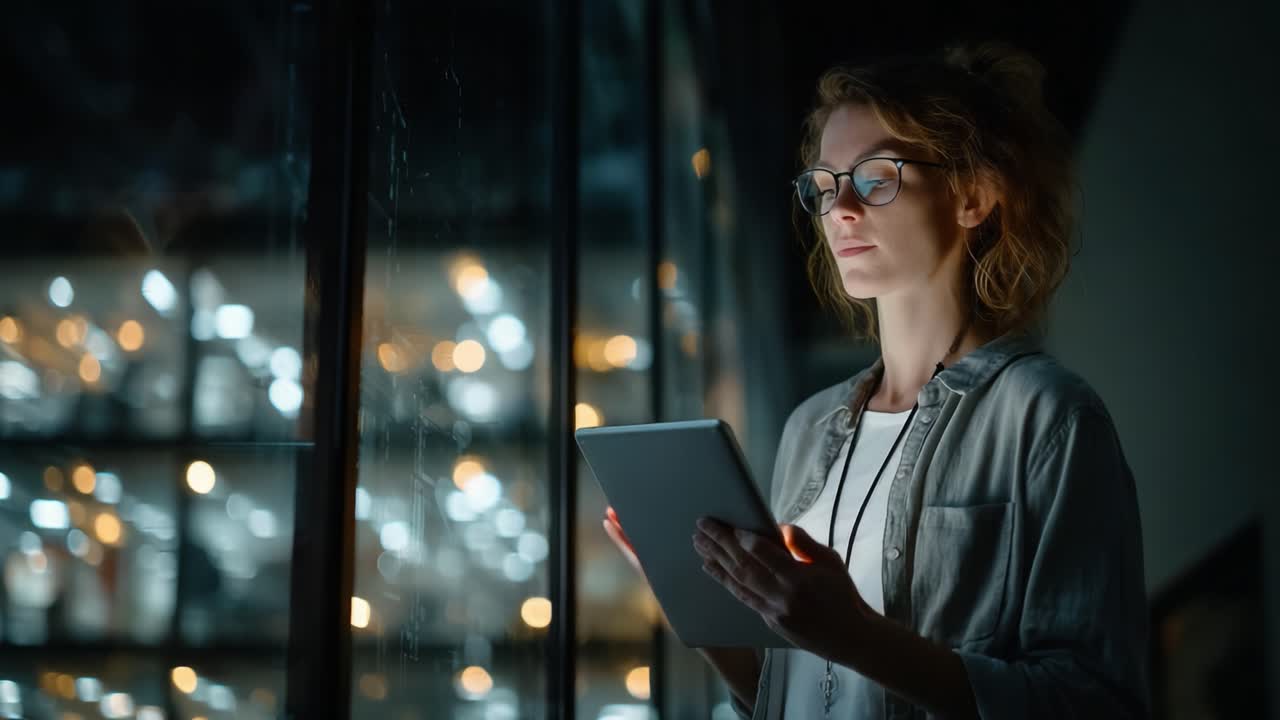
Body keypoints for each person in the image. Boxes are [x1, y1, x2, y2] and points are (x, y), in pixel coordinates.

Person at [603, 41, 1148, 719]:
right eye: (825, 185)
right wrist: (699, 601)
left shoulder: (1046, 417)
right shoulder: (811, 427)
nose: (841, 209)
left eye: (877, 176)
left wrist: (858, 638)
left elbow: (1098, 703)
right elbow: (787, 698)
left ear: (973, 194)